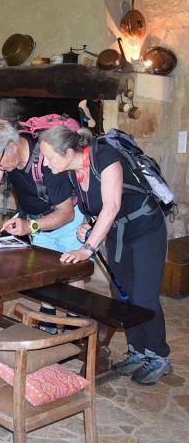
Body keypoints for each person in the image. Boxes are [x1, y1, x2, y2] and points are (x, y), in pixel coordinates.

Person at [39, 125, 171, 385]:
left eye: (48, 156)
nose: (44, 162)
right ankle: (137, 350)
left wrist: (86, 248)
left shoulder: (105, 156)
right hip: (118, 232)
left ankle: (158, 356)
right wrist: (88, 225)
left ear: (67, 152)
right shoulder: (72, 173)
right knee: (124, 294)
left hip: (146, 228)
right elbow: (99, 209)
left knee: (144, 296)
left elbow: (112, 206)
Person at [0, 121, 86, 333]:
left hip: (68, 221)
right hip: (36, 220)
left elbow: (65, 213)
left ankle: (75, 328)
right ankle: (47, 322)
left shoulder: (47, 161)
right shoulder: (2, 157)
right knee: (44, 271)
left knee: (72, 274)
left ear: (12, 146)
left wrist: (29, 226)